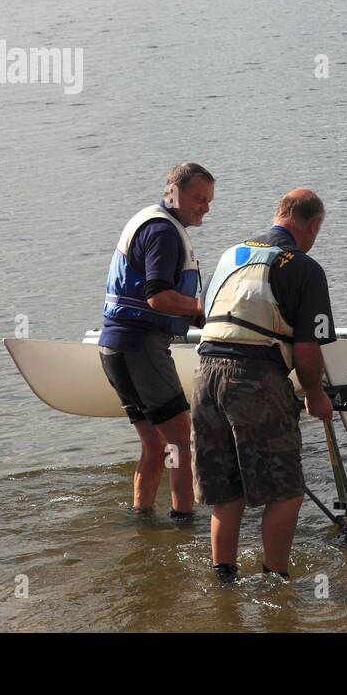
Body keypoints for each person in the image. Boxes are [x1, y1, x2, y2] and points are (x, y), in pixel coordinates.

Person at [191, 188, 336, 583]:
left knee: (226, 489)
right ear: (312, 225)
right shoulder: (305, 268)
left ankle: (224, 579)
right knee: (286, 490)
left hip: (204, 375)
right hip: (254, 378)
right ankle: (275, 580)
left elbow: (205, 315)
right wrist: (316, 395)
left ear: (278, 215)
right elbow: (307, 350)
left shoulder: (230, 255)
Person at [99, 162, 214, 521]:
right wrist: (204, 308)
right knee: (182, 442)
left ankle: (142, 521)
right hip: (141, 347)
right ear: (173, 192)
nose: (205, 208)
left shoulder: (151, 221)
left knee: (153, 443)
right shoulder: (164, 231)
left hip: (113, 347)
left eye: (209, 201)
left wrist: (192, 314)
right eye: (199, 198)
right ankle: (184, 523)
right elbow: (158, 297)